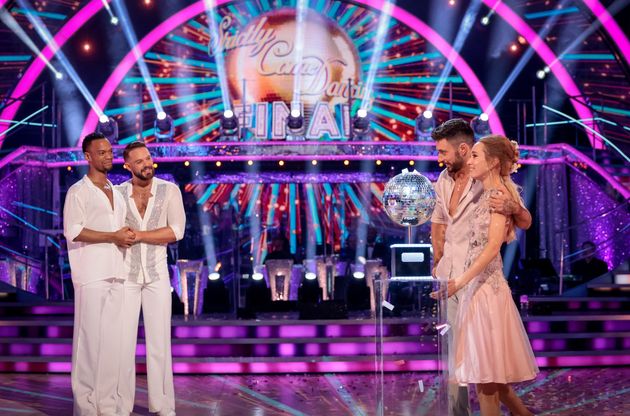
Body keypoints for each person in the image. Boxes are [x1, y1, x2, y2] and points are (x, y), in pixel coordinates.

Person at [430, 119, 532, 416]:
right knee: (460, 360)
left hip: (478, 283)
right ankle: (458, 413)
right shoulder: (444, 180)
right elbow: (439, 223)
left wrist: (513, 208)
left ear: (464, 149)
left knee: (484, 370)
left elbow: (520, 222)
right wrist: (437, 261)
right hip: (453, 279)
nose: (439, 158)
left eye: (443, 152)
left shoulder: (487, 180)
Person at [63, 132, 135, 415]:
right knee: (89, 343)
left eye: (109, 151)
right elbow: (74, 231)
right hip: (91, 275)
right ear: (88, 157)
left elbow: (120, 230)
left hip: (118, 272)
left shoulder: (117, 192)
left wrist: (126, 236)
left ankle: (106, 405)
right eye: (101, 152)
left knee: (112, 346)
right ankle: (85, 407)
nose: (108, 156)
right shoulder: (78, 192)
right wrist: (113, 236)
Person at [116, 141, 186, 416]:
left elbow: (176, 231)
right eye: (139, 161)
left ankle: (163, 405)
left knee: (160, 343)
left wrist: (140, 236)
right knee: (124, 343)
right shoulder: (118, 194)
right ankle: (121, 406)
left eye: (148, 159)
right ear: (128, 166)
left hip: (157, 276)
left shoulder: (169, 191)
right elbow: (114, 230)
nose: (146, 164)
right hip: (126, 275)